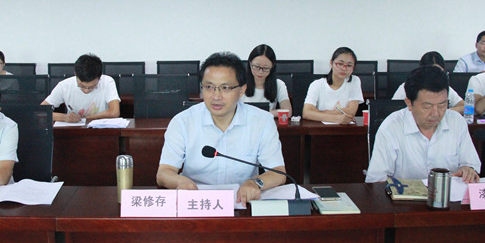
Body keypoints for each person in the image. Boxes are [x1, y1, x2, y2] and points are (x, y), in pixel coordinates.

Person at [156, 52, 286, 206]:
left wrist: (255, 182)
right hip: (197, 204)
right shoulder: (182, 122)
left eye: (225, 88)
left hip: (242, 203)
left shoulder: (262, 121)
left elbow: (278, 172)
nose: (216, 96)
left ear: (242, 90)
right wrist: (180, 181)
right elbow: (164, 173)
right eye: (209, 87)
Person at [366, 66, 480, 183]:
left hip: (449, 193)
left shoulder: (457, 122)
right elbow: (376, 181)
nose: (436, 113)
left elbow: (471, 164)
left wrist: (468, 169)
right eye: (427, 106)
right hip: (404, 194)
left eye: (442, 105)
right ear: (409, 103)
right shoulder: (391, 127)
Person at [42, 53, 120, 123]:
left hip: (101, 129)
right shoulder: (64, 86)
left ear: (100, 77)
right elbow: (41, 111)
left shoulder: (107, 82)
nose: (86, 90)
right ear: (75, 74)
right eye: (81, 86)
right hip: (73, 130)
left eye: (92, 87)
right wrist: (64, 117)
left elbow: (114, 112)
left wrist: (85, 118)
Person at [302, 47, 364, 124]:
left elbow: (351, 112)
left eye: (349, 65)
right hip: (320, 128)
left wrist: (319, 113)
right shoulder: (317, 84)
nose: (344, 68)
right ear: (331, 63)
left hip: (345, 128)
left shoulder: (354, 81)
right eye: (340, 64)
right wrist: (336, 118)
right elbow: (306, 113)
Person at [392, 51, 465, 113]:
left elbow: (466, 107)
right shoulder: (407, 87)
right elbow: (392, 109)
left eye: (439, 72)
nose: (436, 76)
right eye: (432, 72)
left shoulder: (444, 88)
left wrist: (444, 112)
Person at [241, 44, 292, 117]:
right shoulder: (239, 83)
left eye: (265, 68)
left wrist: (263, 114)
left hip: (267, 122)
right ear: (250, 63)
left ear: (272, 66)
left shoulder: (279, 84)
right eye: (256, 66)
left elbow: (288, 112)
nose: (260, 72)